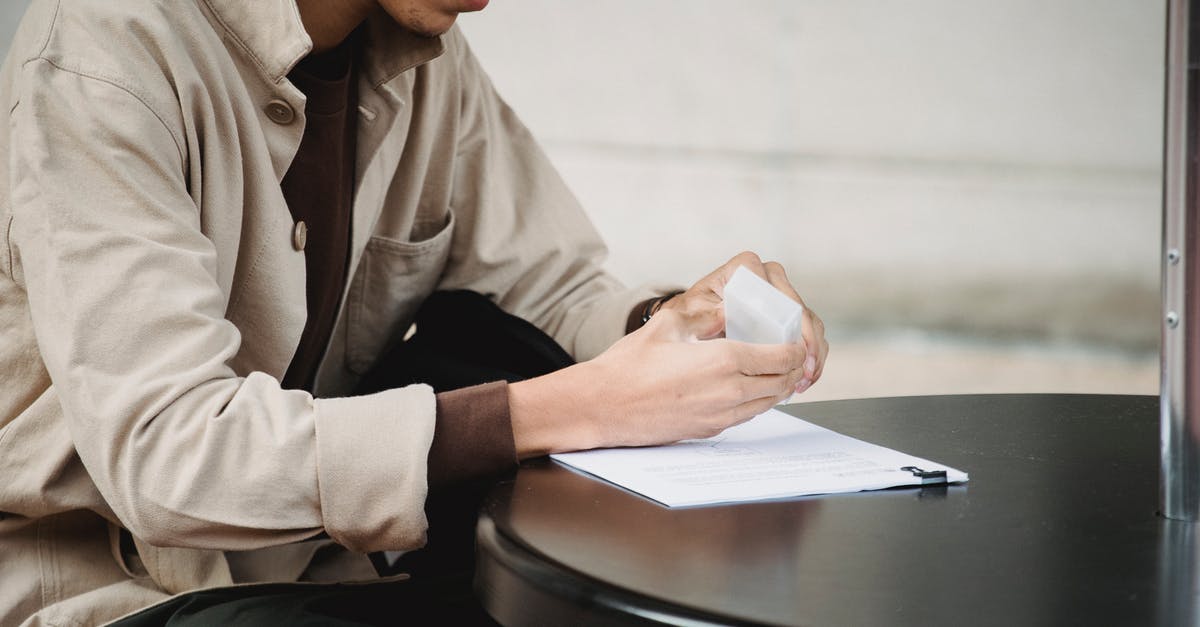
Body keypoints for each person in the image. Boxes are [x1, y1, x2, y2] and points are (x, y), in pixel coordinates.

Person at [0, 0, 828, 624]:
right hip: (116, 590)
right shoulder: (100, 59)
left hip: (317, 569)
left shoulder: (426, 62)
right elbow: (168, 455)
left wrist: (680, 324)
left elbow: (552, 288)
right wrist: (572, 407)